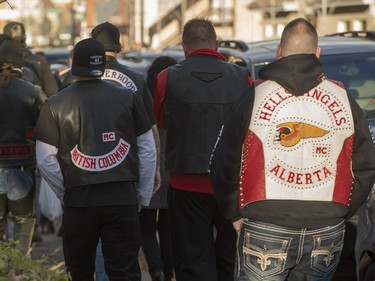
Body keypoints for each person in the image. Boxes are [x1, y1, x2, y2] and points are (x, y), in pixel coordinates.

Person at [209, 17, 375, 281]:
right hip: (326, 226)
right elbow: (366, 167)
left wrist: (234, 214)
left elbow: (222, 163)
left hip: (264, 223)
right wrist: (341, 209)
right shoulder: (345, 100)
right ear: (317, 53)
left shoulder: (255, 96)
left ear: (279, 51)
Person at [34, 38, 156, 280]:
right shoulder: (128, 98)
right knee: (125, 273)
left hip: (80, 202)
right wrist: (142, 195)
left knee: (80, 273)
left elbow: (45, 160)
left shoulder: (54, 104)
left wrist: (65, 192)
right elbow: (148, 150)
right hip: (122, 198)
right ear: (102, 65)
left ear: (73, 66)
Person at [152, 17, 253, 281]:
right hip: (231, 184)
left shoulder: (166, 78)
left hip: (185, 184)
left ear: (184, 47)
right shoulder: (244, 78)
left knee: (192, 261)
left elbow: (163, 121)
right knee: (230, 259)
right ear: (217, 44)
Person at [90, 21, 162, 281]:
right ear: (118, 47)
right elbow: (148, 132)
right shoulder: (136, 79)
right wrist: (153, 172)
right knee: (123, 249)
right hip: (125, 173)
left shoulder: (76, 78)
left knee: (94, 248)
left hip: (86, 173)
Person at [0, 34, 47, 254]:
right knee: (22, 228)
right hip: (22, 170)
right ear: (21, 61)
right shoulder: (33, 92)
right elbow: (48, 132)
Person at [140, 56, 178, 281]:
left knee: (145, 225)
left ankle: (156, 270)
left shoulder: (144, 99)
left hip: (148, 165)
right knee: (168, 226)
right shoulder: (179, 99)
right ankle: (168, 270)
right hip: (171, 167)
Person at [3, 21, 58, 97]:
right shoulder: (40, 62)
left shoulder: (40, 62)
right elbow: (53, 96)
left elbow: (52, 94)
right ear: (25, 38)